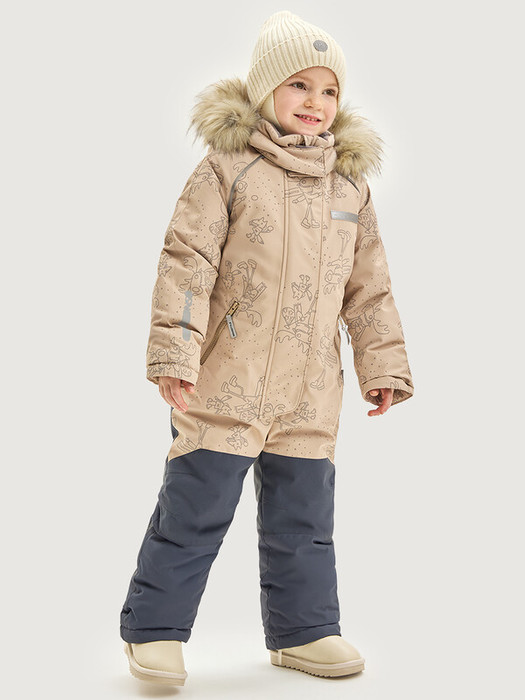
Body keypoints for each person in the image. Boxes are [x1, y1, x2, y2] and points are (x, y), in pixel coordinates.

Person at [120, 9, 414, 686]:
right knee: (195, 510)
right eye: (298, 85)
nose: (315, 102)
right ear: (263, 91)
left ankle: (304, 630)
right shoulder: (227, 170)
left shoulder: (349, 186)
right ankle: (154, 628)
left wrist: (382, 366)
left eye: (329, 90)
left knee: (303, 519)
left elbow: (369, 288)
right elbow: (186, 264)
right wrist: (175, 355)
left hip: (310, 390)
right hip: (227, 378)